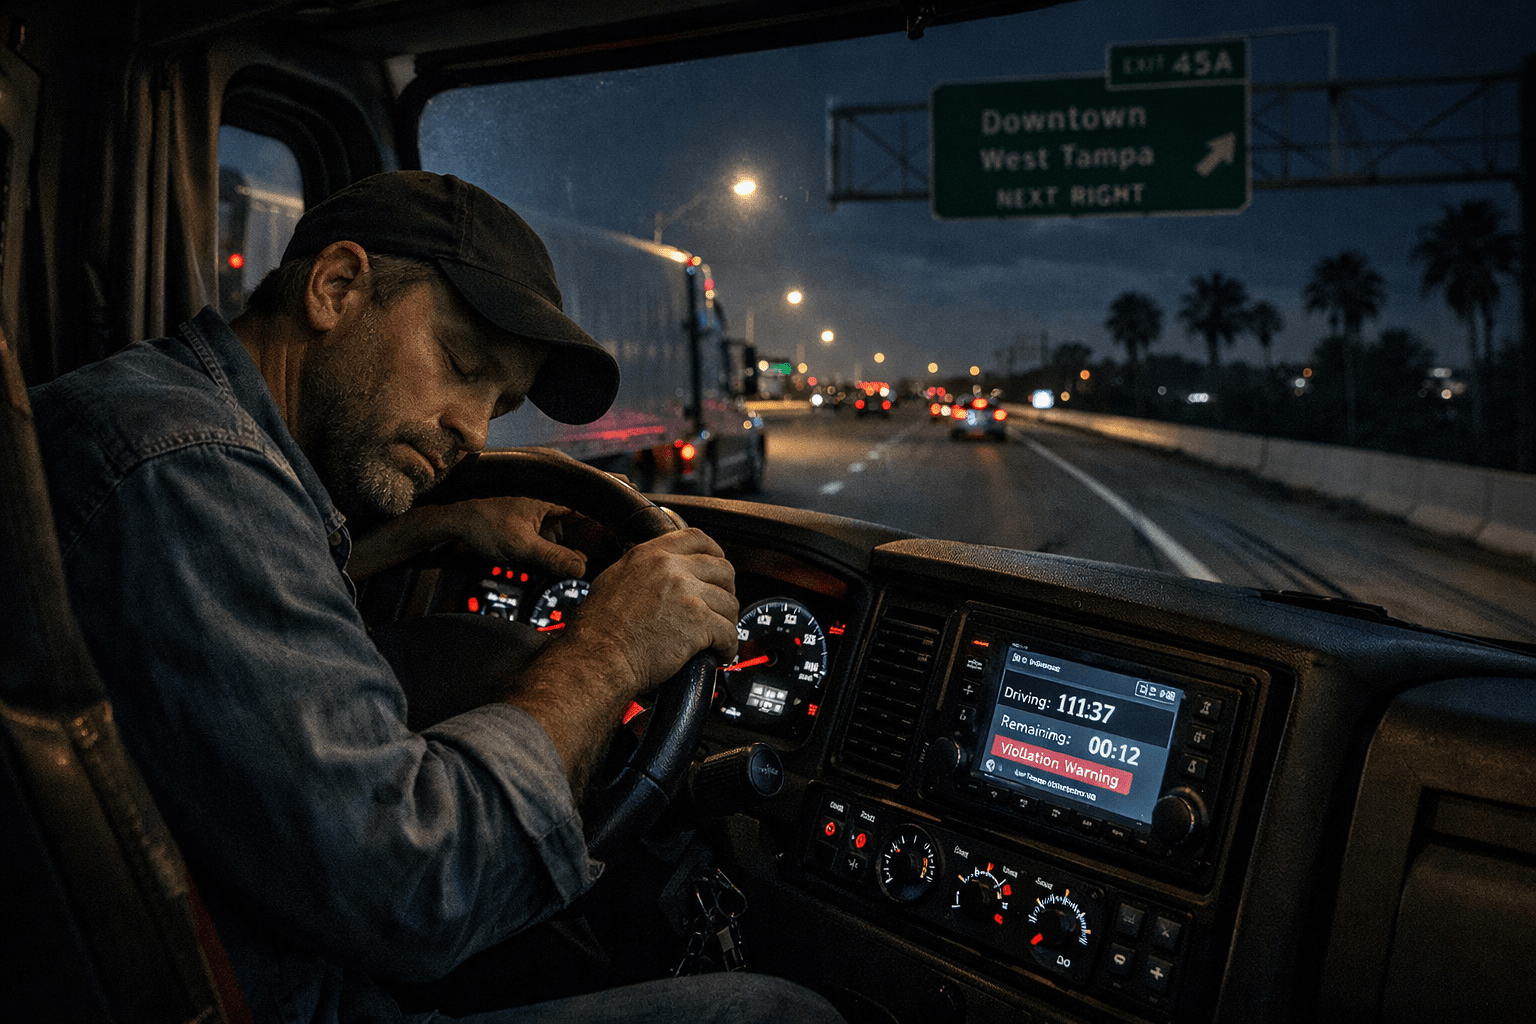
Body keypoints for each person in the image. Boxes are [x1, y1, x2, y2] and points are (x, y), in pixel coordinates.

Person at [29, 171, 842, 1024]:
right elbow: (416, 889)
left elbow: (235, 614)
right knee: (779, 1012)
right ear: (336, 288)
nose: (475, 432)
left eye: (501, 404)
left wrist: (427, 531)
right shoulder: (192, 472)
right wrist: (611, 652)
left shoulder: (144, 412)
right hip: (287, 995)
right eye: (460, 365)